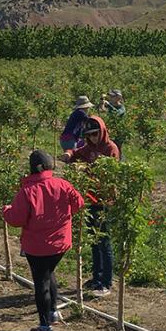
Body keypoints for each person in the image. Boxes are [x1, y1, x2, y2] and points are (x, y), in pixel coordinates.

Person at [2, 150, 84, 331]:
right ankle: (53, 312)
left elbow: (16, 219)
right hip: (60, 244)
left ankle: (45, 326)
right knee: (49, 273)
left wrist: (6, 210)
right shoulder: (63, 184)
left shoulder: (27, 191)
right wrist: (64, 215)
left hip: (37, 247)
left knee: (41, 283)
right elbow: (78, 203)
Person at [60, 116, 119, 297]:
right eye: (89, 135)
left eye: (95, 134)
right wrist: (69, 154)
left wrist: (86, 170)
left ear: (102, 131)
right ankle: (96, 277)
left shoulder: (110, 149)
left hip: (104, 200)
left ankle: (106, 282)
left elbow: (109, 175)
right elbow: (76, 152)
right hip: (90, 198)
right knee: (93, 240)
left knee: (103, 241)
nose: (93, 138)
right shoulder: (89, 148)